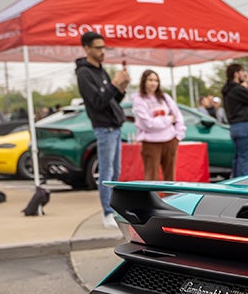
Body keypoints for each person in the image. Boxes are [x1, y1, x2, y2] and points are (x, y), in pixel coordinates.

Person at [75, 32, 130, 228]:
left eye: (104, 47)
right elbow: (97, 102)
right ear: (87, 49)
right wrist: (114, 84)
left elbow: (112, 101)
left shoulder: (101, 70)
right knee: (106, 172)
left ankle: (114, 209)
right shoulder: (84, 73)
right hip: (104, 128)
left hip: (115, 127)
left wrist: (121, 88)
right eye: (98, 48)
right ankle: (107, 212)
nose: (103, 51)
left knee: (115, 172)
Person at [133, 69, 186, 181]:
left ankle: (170, 194)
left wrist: (178, 136)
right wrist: (168, 119)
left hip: (170, 141)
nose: (153, 83)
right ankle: (152, 194)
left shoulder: (165, 97)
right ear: (144, 81)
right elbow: (148, 124)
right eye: (150, 80)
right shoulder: (139, 100)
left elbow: (178, 116)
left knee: (170, 178)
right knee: (151, 179)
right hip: (151, 143)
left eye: (156, 80)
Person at [222, 63, 248, 177]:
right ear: (236, 74)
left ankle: (236, 181)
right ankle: (242, 182)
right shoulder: (237, 89)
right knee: (245, 158)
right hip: (244, 125)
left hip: (235, 126)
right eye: (242, 72)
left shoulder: (227, 90)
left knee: (238, 157)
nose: (244, 74)